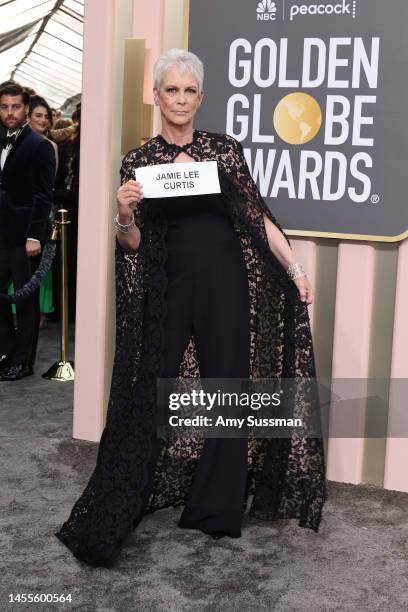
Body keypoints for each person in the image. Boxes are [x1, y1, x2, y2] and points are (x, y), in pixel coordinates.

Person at [55, 49, 327, 568]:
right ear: (155, 97)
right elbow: (133, 246)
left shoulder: (224, 150)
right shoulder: (138, 162)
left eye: (188, 91)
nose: (179, 99)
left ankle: (217, 508)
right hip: (168, 289)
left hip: (227, 285)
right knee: (146, 387)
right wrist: (122, 213)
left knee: (228, 388)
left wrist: (296, 270)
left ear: (200, 98)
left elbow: (258, 217)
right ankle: (122, 502)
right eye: (170, 90)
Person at [0, 82, 55, 380]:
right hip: (0, 233)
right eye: (4, 106)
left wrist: (35, 236)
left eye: (15, 107)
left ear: (25, 108)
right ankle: (7, 352)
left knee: (24, 299)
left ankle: (24, 361)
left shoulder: (39, 146)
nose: (10, 112)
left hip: (24, 236)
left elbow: (43, 195)